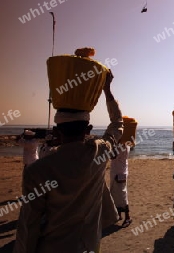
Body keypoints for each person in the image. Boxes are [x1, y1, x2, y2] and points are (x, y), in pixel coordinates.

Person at [13, 72, 123, 253]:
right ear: (88, 128)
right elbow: (117, 124)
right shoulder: (99, 152)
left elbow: (29, 225)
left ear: (57, 131)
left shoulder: (37, 171)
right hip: (90, 244)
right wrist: (107, 90)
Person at [110, 142, 132, 228]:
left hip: (119, 172)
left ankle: (128, 217)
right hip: (117, 171)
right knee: (115, 193)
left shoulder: (123, 145)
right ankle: (118, 215)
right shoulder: (126, 144)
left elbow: (112, 155)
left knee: (122, 195)